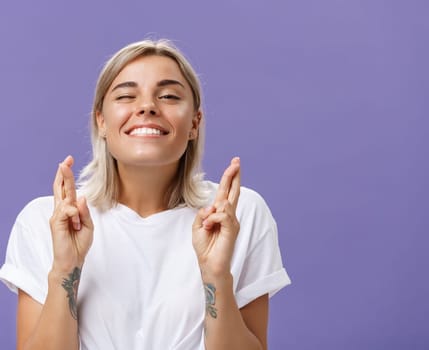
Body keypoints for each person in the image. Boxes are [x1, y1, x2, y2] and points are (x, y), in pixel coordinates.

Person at [0, 39, 291, 350]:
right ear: (101, 122)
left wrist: (217, 276)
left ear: (195, 122)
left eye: (168, 96)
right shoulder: (46, 220)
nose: (147, 106)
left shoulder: (237, 214)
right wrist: (65, 269)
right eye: (126, 95)